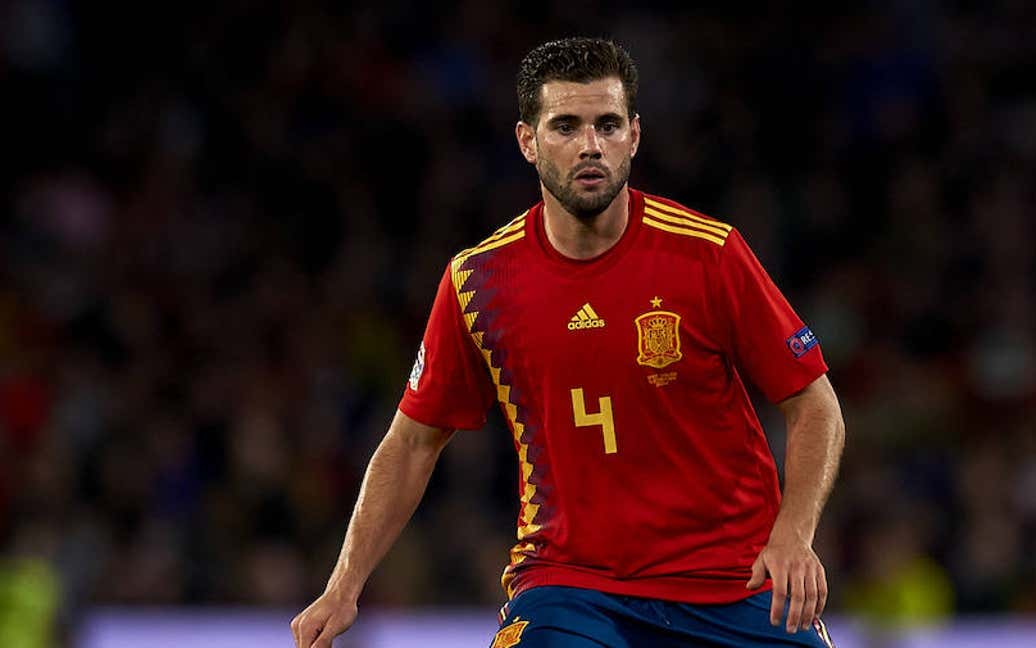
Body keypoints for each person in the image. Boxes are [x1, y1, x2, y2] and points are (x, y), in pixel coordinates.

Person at [291, 37, 845, 648]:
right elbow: (413, 442)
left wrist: (794, 533)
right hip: (571, 587)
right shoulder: (478, 282)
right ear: (527, 141)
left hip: (733, 583)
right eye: (566, 126)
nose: (590, 145)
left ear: (634, 136)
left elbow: (814, 403)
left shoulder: (709, 254)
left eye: (608, 125)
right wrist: (344, 586)